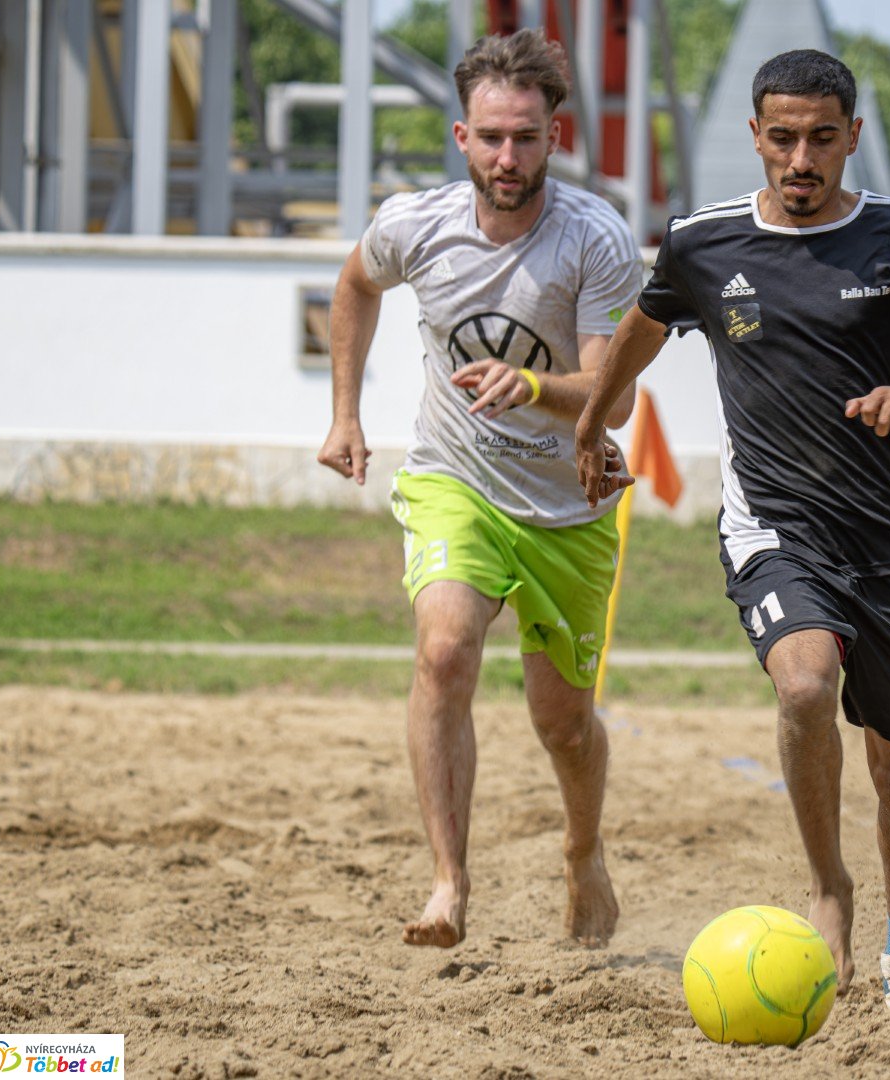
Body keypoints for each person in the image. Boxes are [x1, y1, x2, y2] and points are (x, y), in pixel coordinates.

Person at [575, 49, 890, 1025]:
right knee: (806, 685)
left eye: (822, 138)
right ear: (755, 137)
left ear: (853, 136)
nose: (801, 158)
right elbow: (645, 324)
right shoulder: (703, 244)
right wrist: (593, 421)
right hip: (774, 526)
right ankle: (828, 886)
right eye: (782, 138)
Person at [316, 29, 641, 950]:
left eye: (526, 138)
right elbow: (355, 284)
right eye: (491, 137)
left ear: (553, 137)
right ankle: (447, 886)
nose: (508, 157)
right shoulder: (414, 225)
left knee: (562, 724)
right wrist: (345, 415)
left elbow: (610, 397)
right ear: (462, 136)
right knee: (445, 650)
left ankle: (583, 853)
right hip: (453, 480)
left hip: (567, 508)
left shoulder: (595, 239)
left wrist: (532, 385)